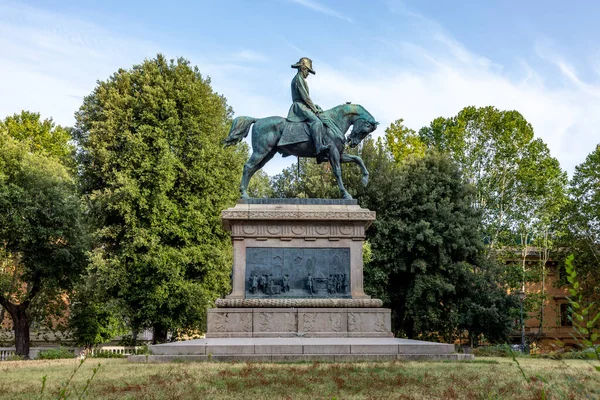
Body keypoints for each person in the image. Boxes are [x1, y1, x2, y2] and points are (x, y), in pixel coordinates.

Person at [287, 57, 331, 160]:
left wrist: (315, 106)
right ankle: (318, 148)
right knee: (317, 122)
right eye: (308, 71)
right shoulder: (298, 79)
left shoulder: (301, 79)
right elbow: (305, 97)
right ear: (303, 68)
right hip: (299, 107)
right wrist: (314, 109)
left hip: (303, 105)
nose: (308, 74)